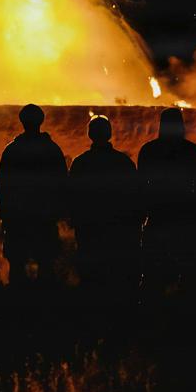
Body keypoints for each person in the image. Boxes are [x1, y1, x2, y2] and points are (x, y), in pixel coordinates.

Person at [68, 116, 142, 303]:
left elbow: (71, 195)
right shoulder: (123, 163)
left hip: (89, 229)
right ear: (109, 134)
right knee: (116, 274)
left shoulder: (80, 163)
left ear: (89, 135)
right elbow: (134, 195)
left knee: (91, 276)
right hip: (118, 229)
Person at [138, 107, 196, 294]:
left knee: (153, 277)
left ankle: (153, 315)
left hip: (158, 218)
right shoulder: (192, 152)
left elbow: (141, 186)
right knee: (186, 277)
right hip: (184, 220)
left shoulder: (149, 151)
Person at [0, 104, 67, 288]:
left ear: (22, 122)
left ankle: (18, 305)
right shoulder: (52, 150)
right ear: (40, 121)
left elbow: (4, 186)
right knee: (46, 264)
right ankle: (45, 305)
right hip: (45, 218)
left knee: (17, 265)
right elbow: (62, 184)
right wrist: (58, 211)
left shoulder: (11, 150)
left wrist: (5, 214)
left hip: (18, 218)